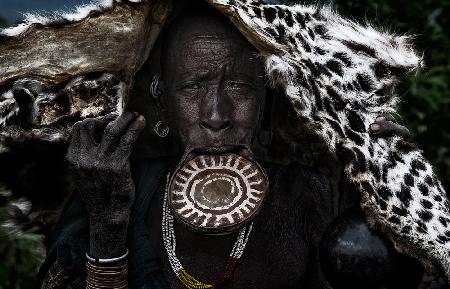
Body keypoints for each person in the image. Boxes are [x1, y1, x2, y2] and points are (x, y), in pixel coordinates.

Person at [34, 3, 424, 289]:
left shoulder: (309, 194)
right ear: (161, 100)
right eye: (192, 87)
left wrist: (379, 186)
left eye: (239, 87)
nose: (216, 115)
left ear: (266, 100)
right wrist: (108, 221)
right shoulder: (111, 192)